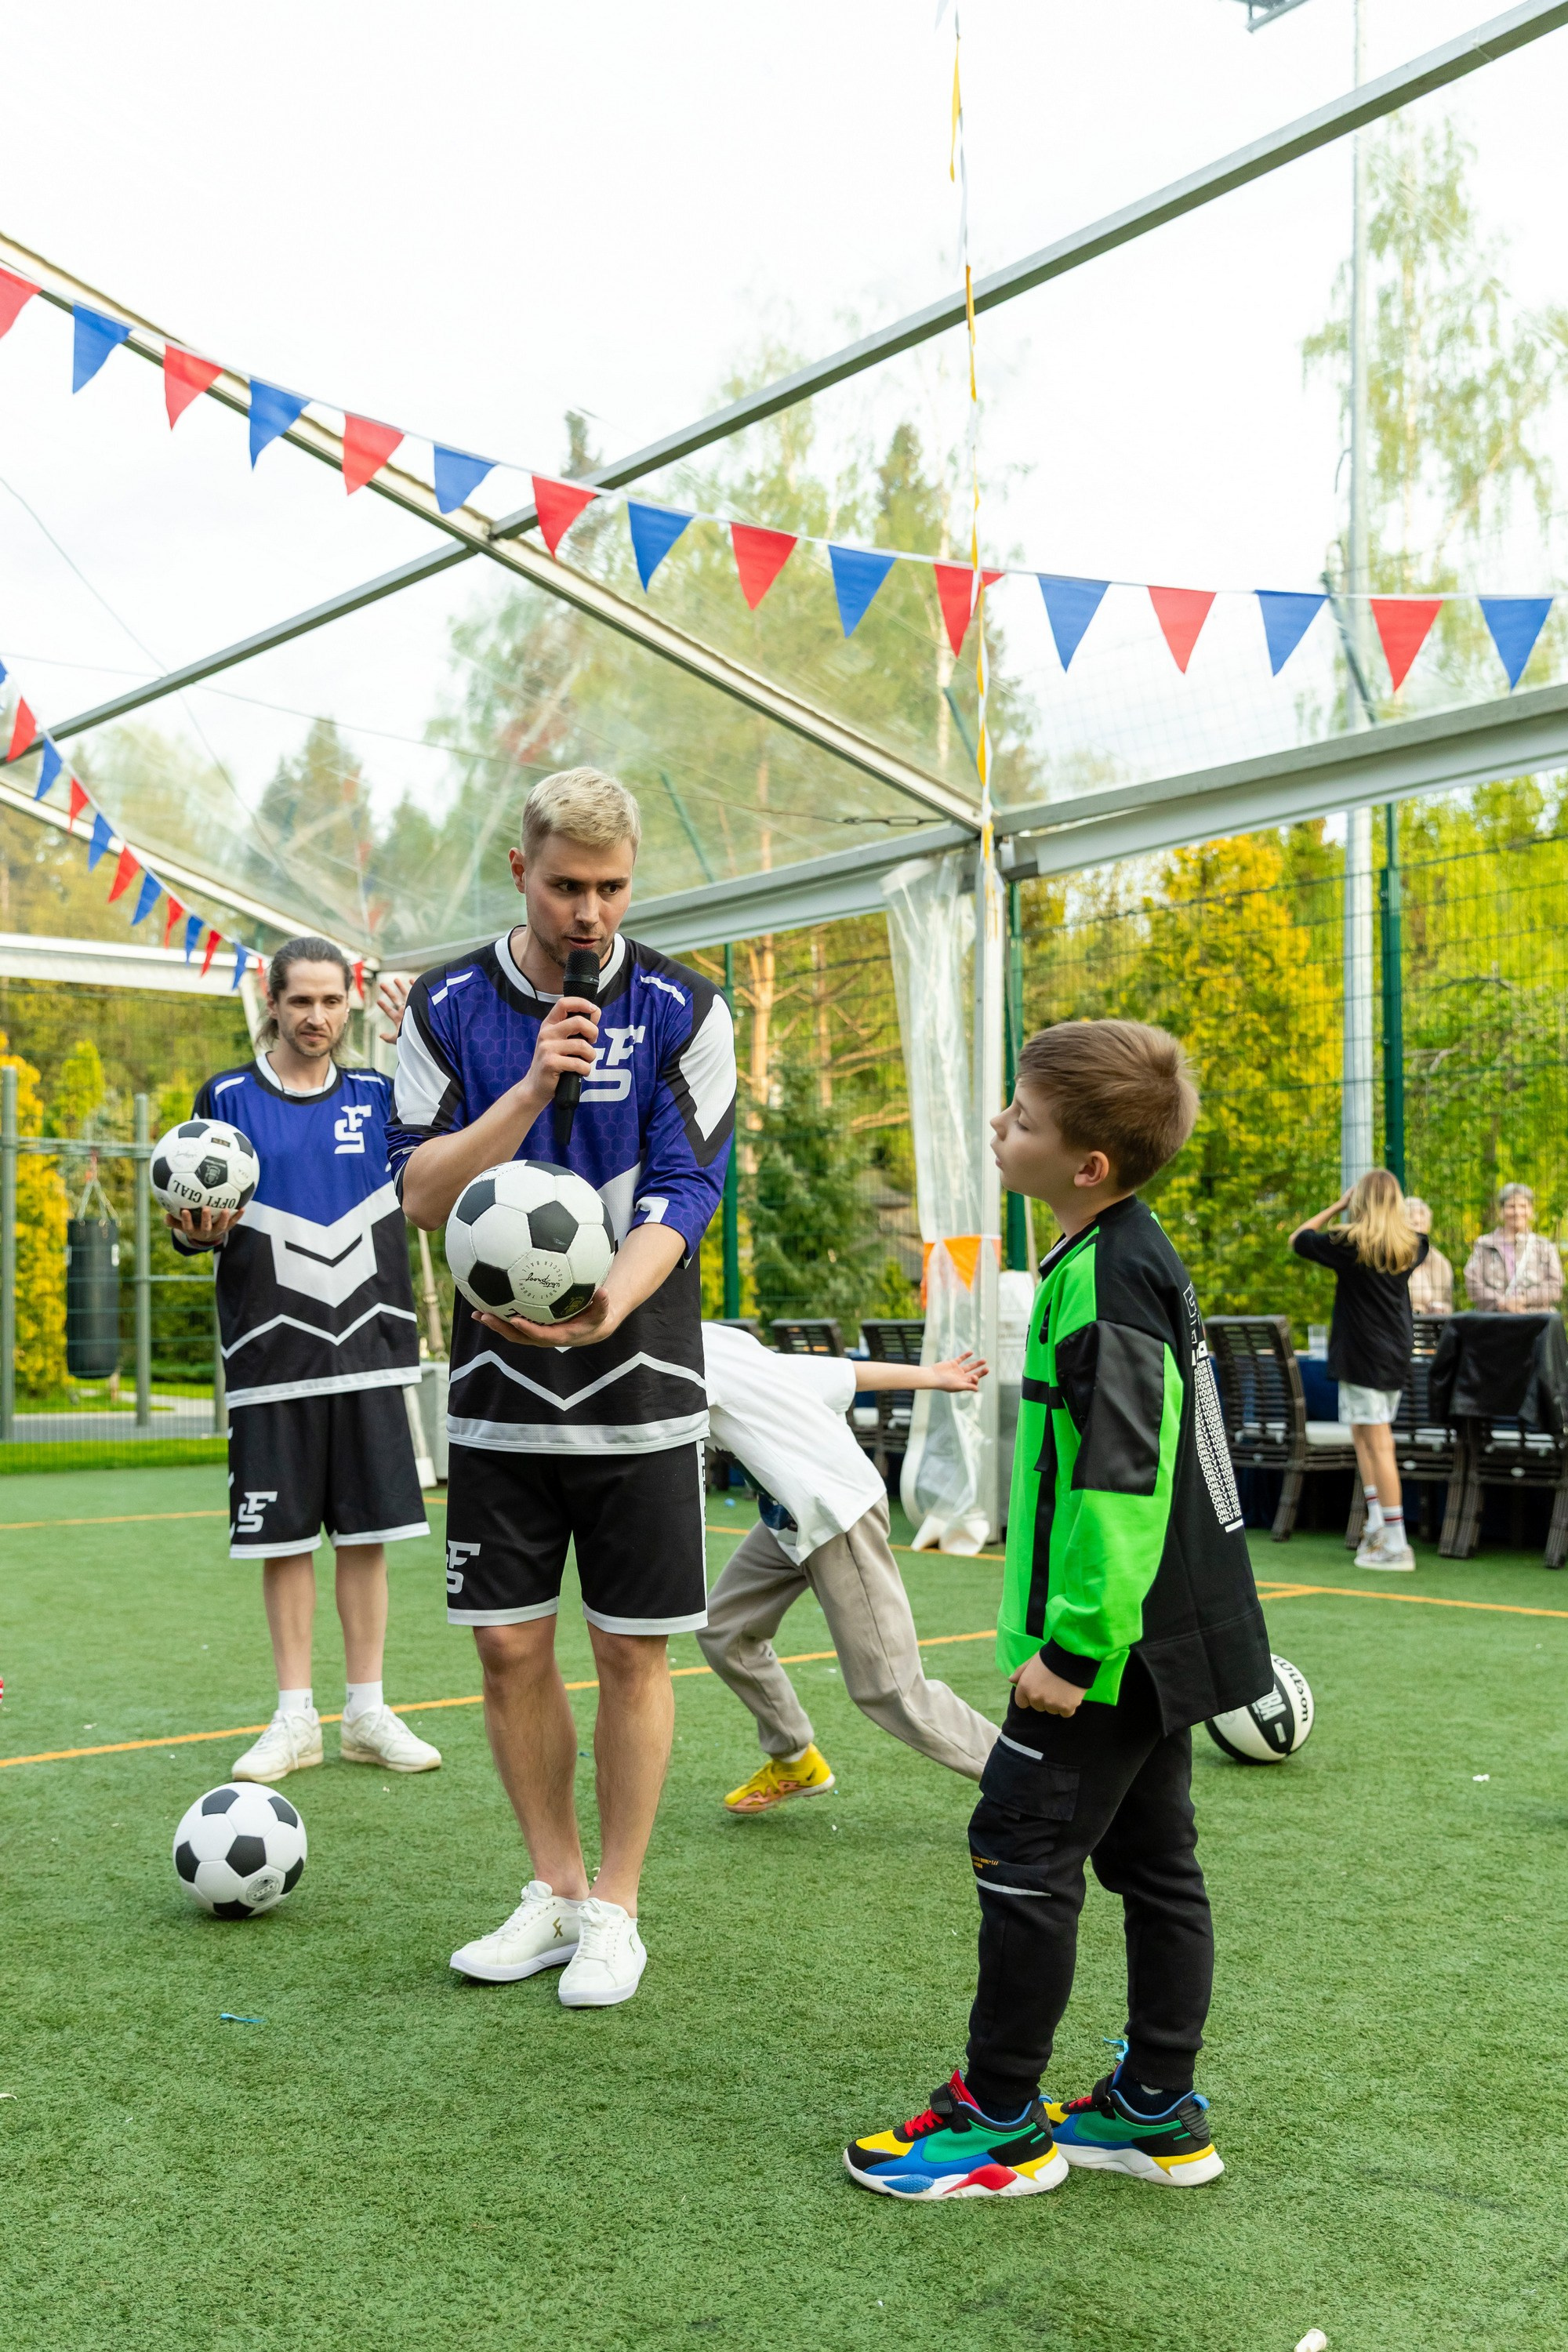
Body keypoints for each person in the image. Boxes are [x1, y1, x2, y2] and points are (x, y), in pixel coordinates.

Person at [845, 1019, 1271, 2200]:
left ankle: (997, 2123)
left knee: (1021, 1844)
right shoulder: (1106, 1252)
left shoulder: (1112, 1276)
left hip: (1113, 1641)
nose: (1000, 1126)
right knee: (1152, 1857)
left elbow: (1122, 1481)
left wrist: (1075, 1649)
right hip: (1160, 1630)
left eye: (1022, 1119)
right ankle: (1154, 2110)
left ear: (1087, 1164)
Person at [388, 768, 735, 2010]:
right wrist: (531, 1089)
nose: (590, 912)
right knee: (506, 1648)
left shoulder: (688, 1006)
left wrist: (609, 1304)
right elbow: (420, 1194)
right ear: (521, 874)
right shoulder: (446, 1008)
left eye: (613, 887)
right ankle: (556, 1891)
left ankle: (617, 1913)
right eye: (566, 885)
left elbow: (688, 1188)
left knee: (632, 1653)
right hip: (496, 1389)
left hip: (639, 1377)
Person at [169, 936, 441, 1783]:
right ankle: (295, 1718)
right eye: (300, 1001)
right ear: (273, 1002)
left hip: (371, 1347)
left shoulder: (382, 1094)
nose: (316, 1017)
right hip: (269, 1353)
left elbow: (452, 1149)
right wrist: (193, 1233)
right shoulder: (225, 1098)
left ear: (349, 1002)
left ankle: (366, 1711)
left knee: (368, 1536)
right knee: (282, 1541)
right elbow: (193, 1220)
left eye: (329, 1001)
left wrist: (424, 1038)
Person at [698, 1325, 998, 1808]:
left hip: (836, 1514)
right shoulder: (715, 1343)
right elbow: (839, 1375)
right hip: (789, 1518)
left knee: (891, 1691)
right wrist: (932, 1376)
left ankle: (1030, 1784)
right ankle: (795, 1759)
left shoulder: (685, 1356)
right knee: (725, 1630)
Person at [1290, 1170, 1428, 1573]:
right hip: (1392, 1353)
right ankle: (1377, 1524)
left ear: (1360, 1201)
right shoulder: (1415, 1244)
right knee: (1364, 1435)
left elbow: (1298, 1238)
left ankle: (1397, 1545)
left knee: (1378, 1443)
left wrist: (1338, 1205)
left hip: (1363, 1354)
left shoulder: (1349, 1243)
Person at [1464, 1183, 1564, 1312]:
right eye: (1511, 1206)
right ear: (1501, 1211)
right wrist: (1503, 1303)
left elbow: (1556, 1286)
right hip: (1495, 1319)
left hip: (1535, 1318)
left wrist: (1523, 1299)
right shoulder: (1485, 1244)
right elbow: (1472, 1283)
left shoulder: (1544, 1246)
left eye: (1523, 1206)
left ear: (1531, 1210)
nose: (1517, 1212)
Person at [1404, 1198, 1453, 1316]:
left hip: (1432, 1323)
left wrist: (1441, 1309)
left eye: (1422, 1224)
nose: (1419, 1230)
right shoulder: (1394, 1258)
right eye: (1414, 1224)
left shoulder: (1440, 1262)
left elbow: (1448, 1305)